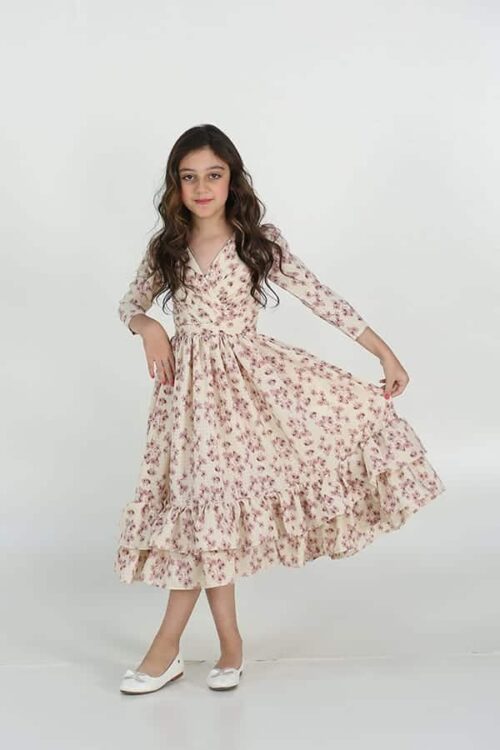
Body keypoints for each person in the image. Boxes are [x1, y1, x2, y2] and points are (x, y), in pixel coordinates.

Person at [115, 123, 446, 695]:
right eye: (189, 177)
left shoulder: (256, 241)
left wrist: (384, 352)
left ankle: (169, 650)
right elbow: (129, 303)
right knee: (204, 517)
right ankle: (227, 646)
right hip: (187, 402)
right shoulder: (165, 247)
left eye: (213, 175)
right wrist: (148, 326)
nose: (202, 188)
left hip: (248, 394)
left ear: (232, 180)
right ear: (175, 185)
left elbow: (322, 298)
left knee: (208, 517)